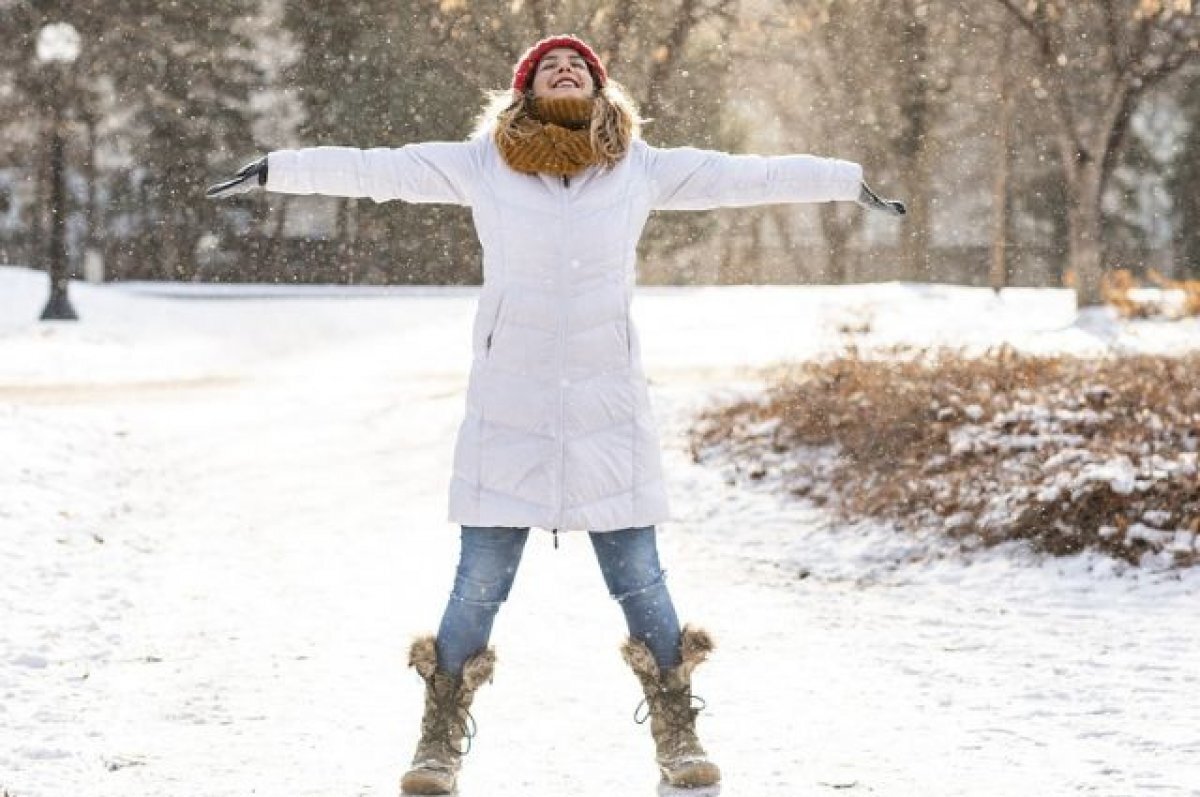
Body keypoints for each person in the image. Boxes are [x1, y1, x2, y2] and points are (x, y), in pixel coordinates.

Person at [208, 33, 904, 795]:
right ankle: (438, 742)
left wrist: (847, 180)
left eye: (578, 64)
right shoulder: (483, 163)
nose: (564, 67)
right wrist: (280, 167)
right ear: (525, 91)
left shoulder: (639, 167)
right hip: (510, 404)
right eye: (549, 65)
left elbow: (748, 176)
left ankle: (678, 735)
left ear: (601, 89)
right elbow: (382, 167)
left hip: (608, 406)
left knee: (641, 578)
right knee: (477, 583)